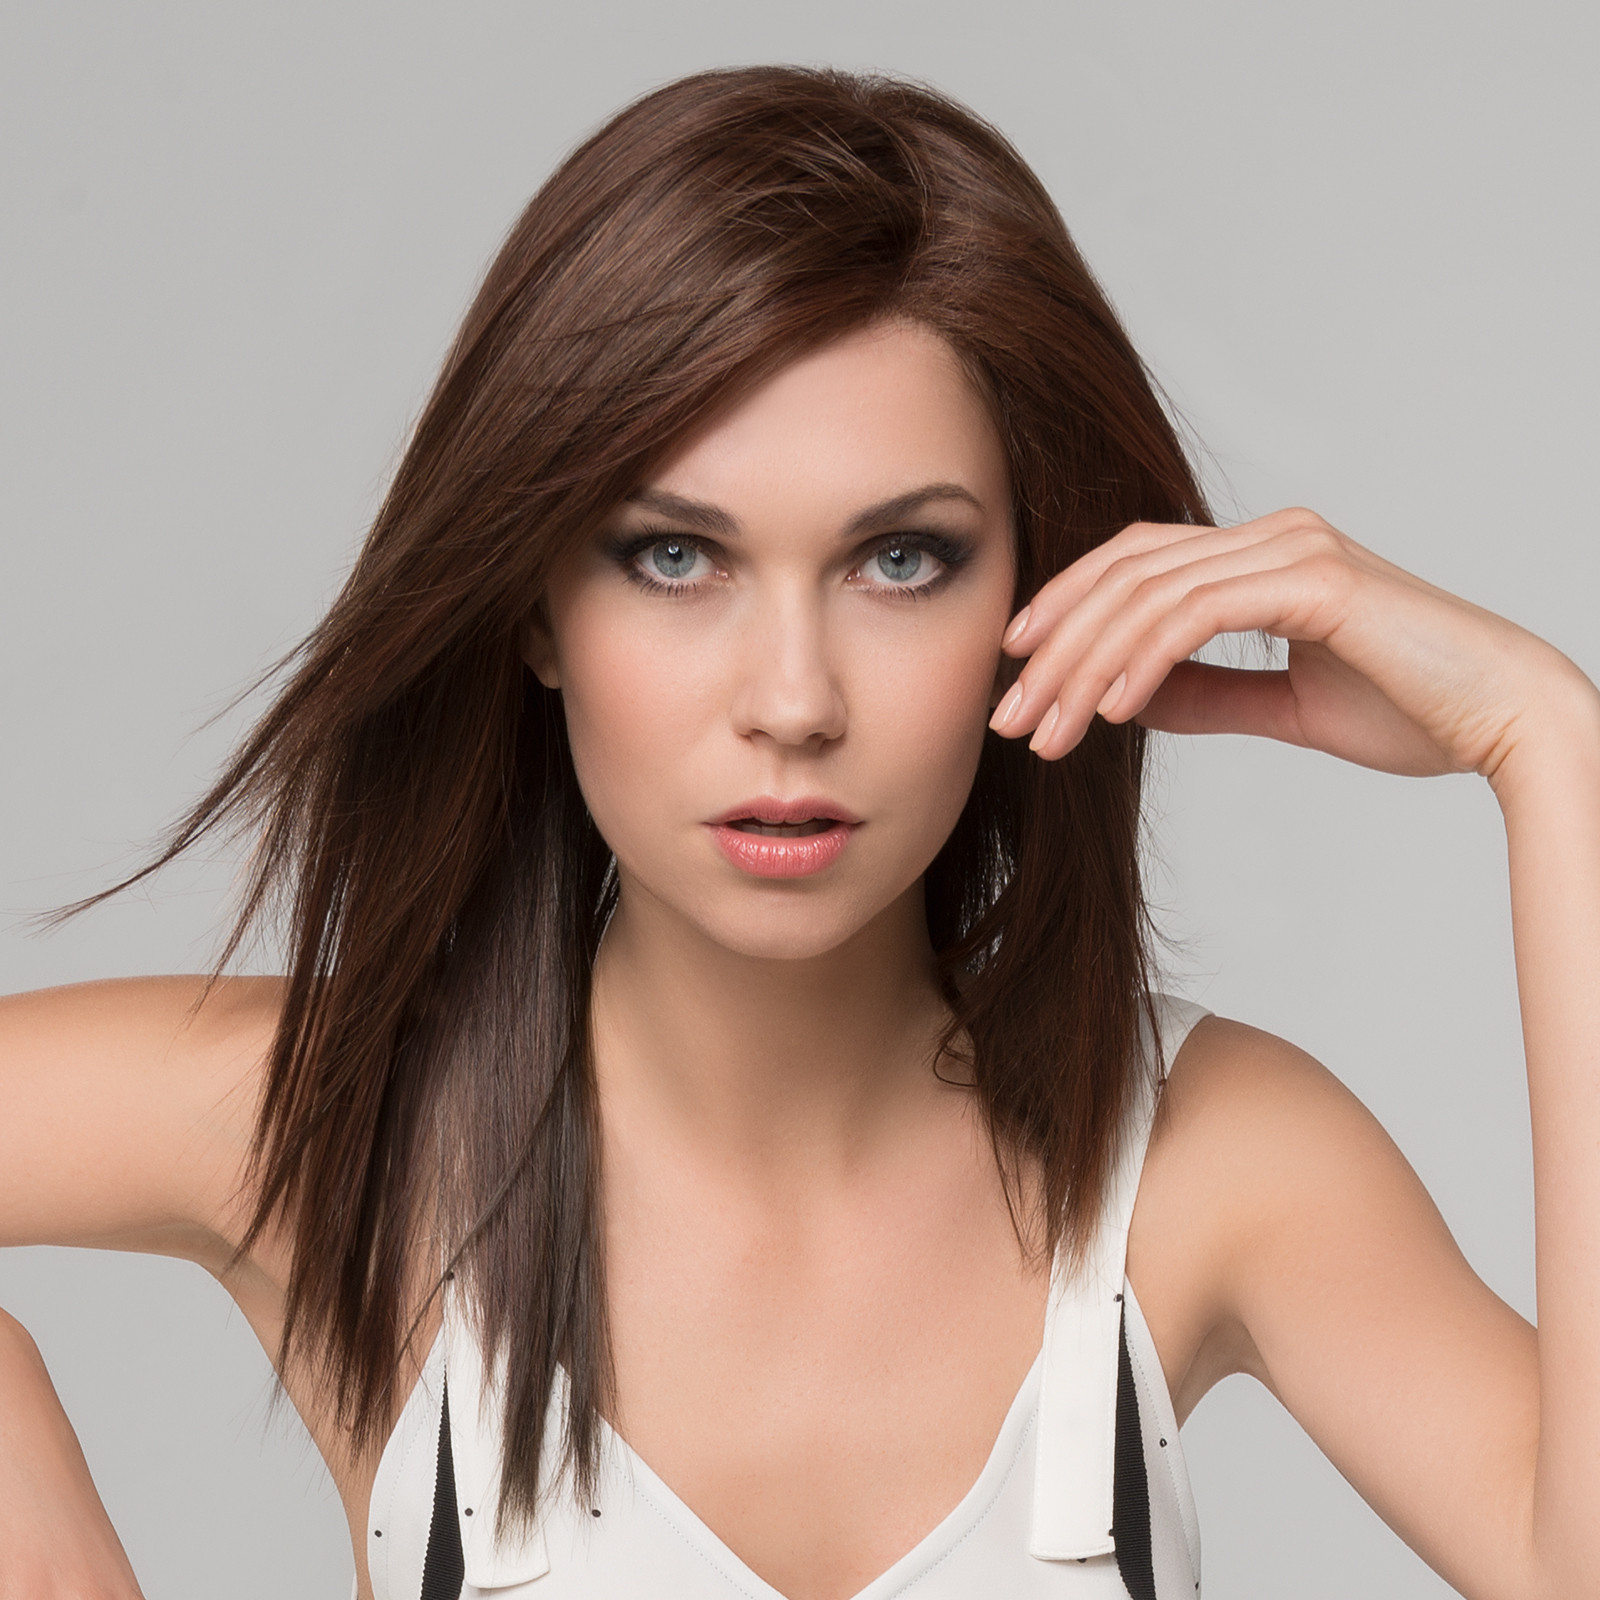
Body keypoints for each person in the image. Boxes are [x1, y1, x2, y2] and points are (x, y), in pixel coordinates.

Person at [2, 63, 1596, 1600]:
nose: (792, 701)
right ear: (536, 610)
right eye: (674, 557)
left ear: (1036, 593)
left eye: (900, 561)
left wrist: (1548, 741)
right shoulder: (326, 1129)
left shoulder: (1208, 1155)